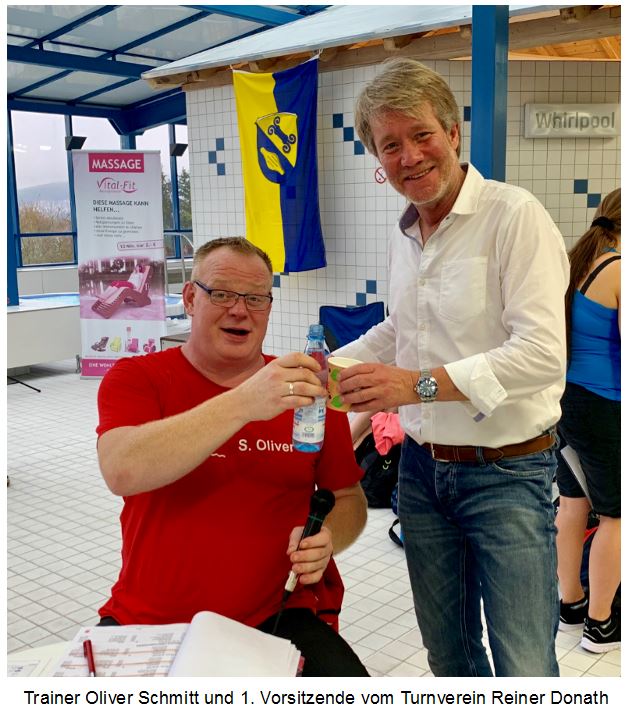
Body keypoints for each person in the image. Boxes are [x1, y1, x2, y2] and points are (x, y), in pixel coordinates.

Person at [334, 58, 569, 676]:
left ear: (454, 132)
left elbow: (542, 353)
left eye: (421, 135)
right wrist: (327, 367)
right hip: (420, 471)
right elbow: (400, 329)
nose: (409, 156)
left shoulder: (514, 216)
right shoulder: (404, 232)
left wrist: (414, 386)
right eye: (390, 145)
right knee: (449, 654)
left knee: (524, 666)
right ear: (377, 159)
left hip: (508, 471)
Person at [95, 237, 369, 677]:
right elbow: (121, 470)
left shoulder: (309, 394)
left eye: (256, 298)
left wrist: (329, 536)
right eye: (221, 294)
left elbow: (349, 497)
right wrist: (244, 402)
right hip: (152, 619)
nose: (240, 310)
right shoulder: (139, 378)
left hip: (278, 614)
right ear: (190, 298)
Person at [554, 188, 621, 653]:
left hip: (567, 401)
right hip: (604, 406)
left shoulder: (577, 263)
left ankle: (571, 605)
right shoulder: (618, 269)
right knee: (617, 516)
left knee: (572, 504)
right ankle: (601, 625)